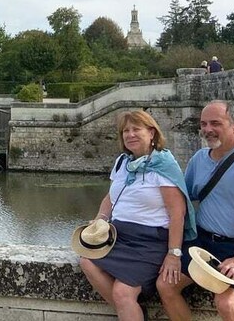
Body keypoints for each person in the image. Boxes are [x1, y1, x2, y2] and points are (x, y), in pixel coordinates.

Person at [78, 110, 196, 321]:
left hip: (149, 242)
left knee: (123, 292)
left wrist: (173, 254)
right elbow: (110, 197)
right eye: (126, 131)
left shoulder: (164, 165)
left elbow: (177, 213)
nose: (130, 134)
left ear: (152, 133)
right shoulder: (123, 162)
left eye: (136, 129)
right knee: (87, 262)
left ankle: (130, 311)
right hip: (118, 237)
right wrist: (100, 219)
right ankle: (132, 313)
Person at [157, 100, 234, 320]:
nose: (207, 130)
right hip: (200, 243)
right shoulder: (199, 159)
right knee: (166, 285)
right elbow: (181, 201)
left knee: (227, 303)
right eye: (203, 124)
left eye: (215, 123)